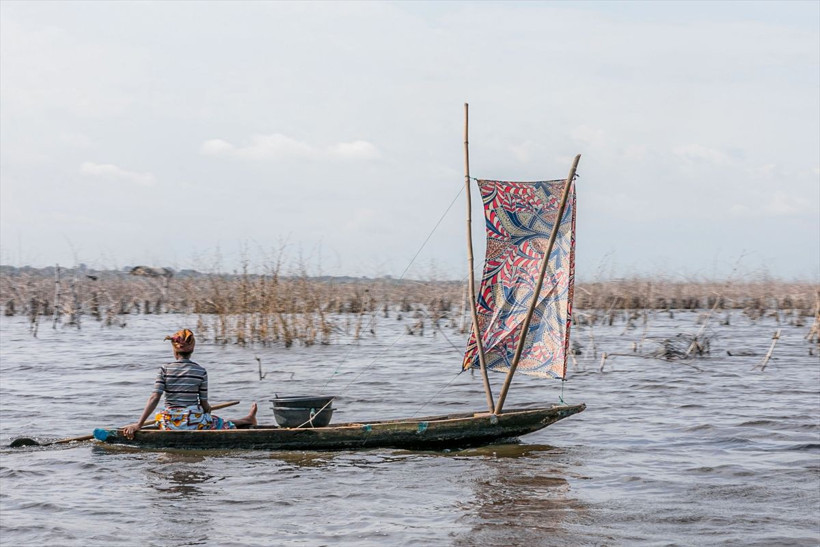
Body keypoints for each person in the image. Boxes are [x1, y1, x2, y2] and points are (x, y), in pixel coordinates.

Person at [123, 329, 256, 439]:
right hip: (193, 423)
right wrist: (207, 410)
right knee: (221, 422)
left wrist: (139, 424)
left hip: (168, 424)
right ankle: (247, 420)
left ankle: (248, 419)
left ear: (174, 350)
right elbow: (204, 403)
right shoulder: (201, 371)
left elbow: (154, 398)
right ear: (192, 349)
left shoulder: (165, 369)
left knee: (204, 418)